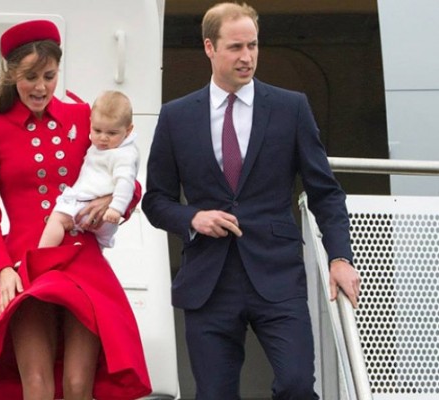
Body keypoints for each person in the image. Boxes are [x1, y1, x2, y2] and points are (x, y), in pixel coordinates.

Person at [141, 2, 361, 399]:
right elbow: (156, 200)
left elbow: (325, 192)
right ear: (209, 47)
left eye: (253, 45)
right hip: (208, 282)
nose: (247, 57)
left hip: (277, 276)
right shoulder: (176, 117)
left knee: (296, 385)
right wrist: (193, 218)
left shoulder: (291, 108)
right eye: (236, 47)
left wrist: (340, 257)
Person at [0, 20, 151, 400]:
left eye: (49, 76)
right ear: (12, 74)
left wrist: (111, 202)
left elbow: (125, 170)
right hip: (26, 261)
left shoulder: (82, 116)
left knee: (78, 385)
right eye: (30, 77)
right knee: (38, 385)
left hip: (81, 259)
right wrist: (1, 269)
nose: (41, 87)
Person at [38, 90, 138, 249]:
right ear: (90, 122)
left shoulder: (124, 155)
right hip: (105, 221)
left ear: (128, 130)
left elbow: (126, 181)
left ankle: (41, 254)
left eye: (112, 133)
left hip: (90, 207)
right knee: (97, 248)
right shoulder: (111, 146)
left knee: (57, 219)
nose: (103, 138)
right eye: (97, 130)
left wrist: (116, 208)